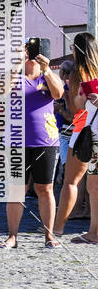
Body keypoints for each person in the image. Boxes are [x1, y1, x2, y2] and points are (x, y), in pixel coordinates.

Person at [1, 42, 63, 249]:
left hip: (46, 141)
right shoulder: (13, 75)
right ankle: (12, 236)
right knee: (17, 190)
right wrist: (16, 65)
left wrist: (46, 70)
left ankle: (49, 236)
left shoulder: (48, 76)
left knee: (45, 188)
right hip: (17, 141)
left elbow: (58, 94)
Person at [52, 33, 98, 238]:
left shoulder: (78, 74)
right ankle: (93, 232)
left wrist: (66, 97)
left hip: (83, 131)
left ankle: (57, 228)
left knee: (71, 181)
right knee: (94, 185)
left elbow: (75, 110)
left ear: (76, 49)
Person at [54, 60, 74, 186]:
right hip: (64, 130)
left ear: (63, 73)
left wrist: (60, 109)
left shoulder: (67, 89)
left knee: (68, 167)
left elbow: (72, 117)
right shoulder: (68, 88)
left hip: (66, 131)